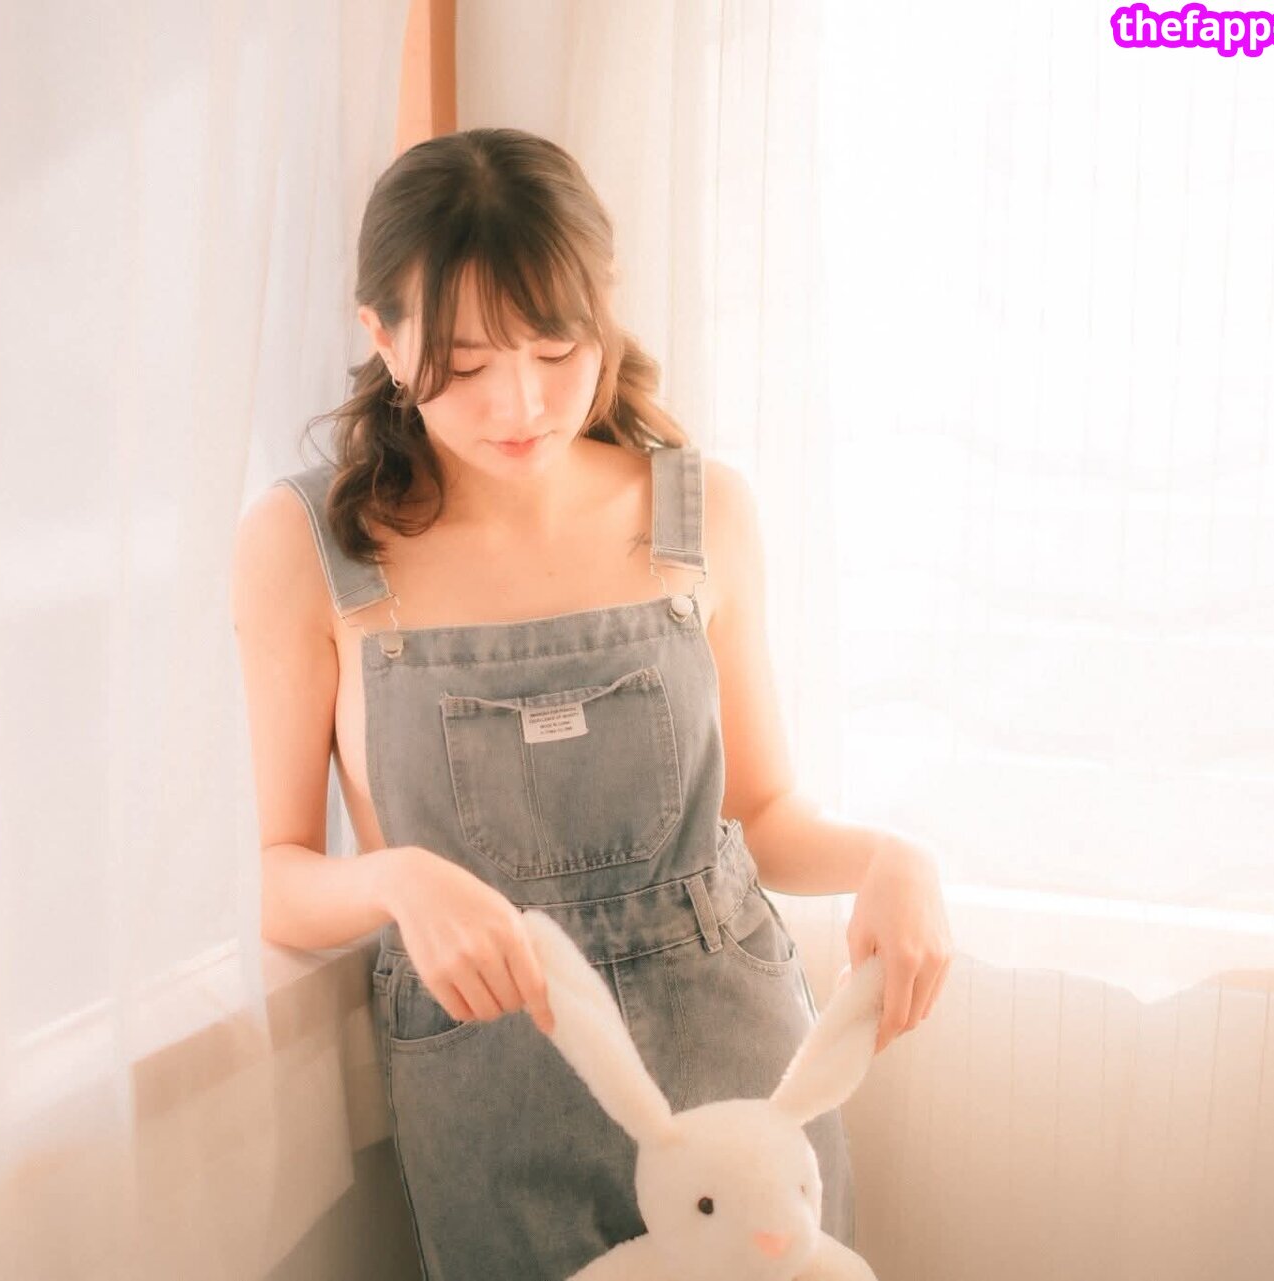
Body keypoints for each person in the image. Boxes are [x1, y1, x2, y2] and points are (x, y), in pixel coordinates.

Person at [231, 126, 952, 1280]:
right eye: (466, 364)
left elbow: (765, 816)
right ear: (382, 336)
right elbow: (271, 873)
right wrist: (397, 879)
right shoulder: (309, 543)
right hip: (488, 1077)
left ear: (604, 308)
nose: (520, 402)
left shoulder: (702, 511)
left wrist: (896, 859)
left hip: (735, 1062)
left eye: (556, 348)